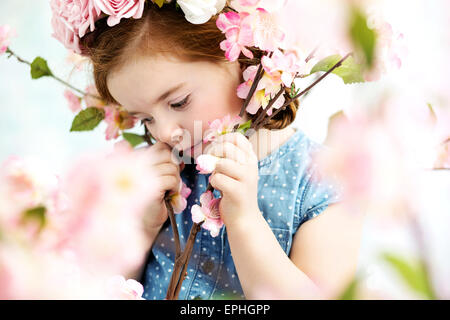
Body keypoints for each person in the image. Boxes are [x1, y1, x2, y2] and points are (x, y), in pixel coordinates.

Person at [79, 2, 364, 300]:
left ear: (243, 62)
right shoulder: (159, 179)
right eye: (145, 118)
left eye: (178, 102)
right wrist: (142, 225)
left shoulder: (324, 181)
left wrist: (244, 220)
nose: (163, 132)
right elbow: (96, 287)